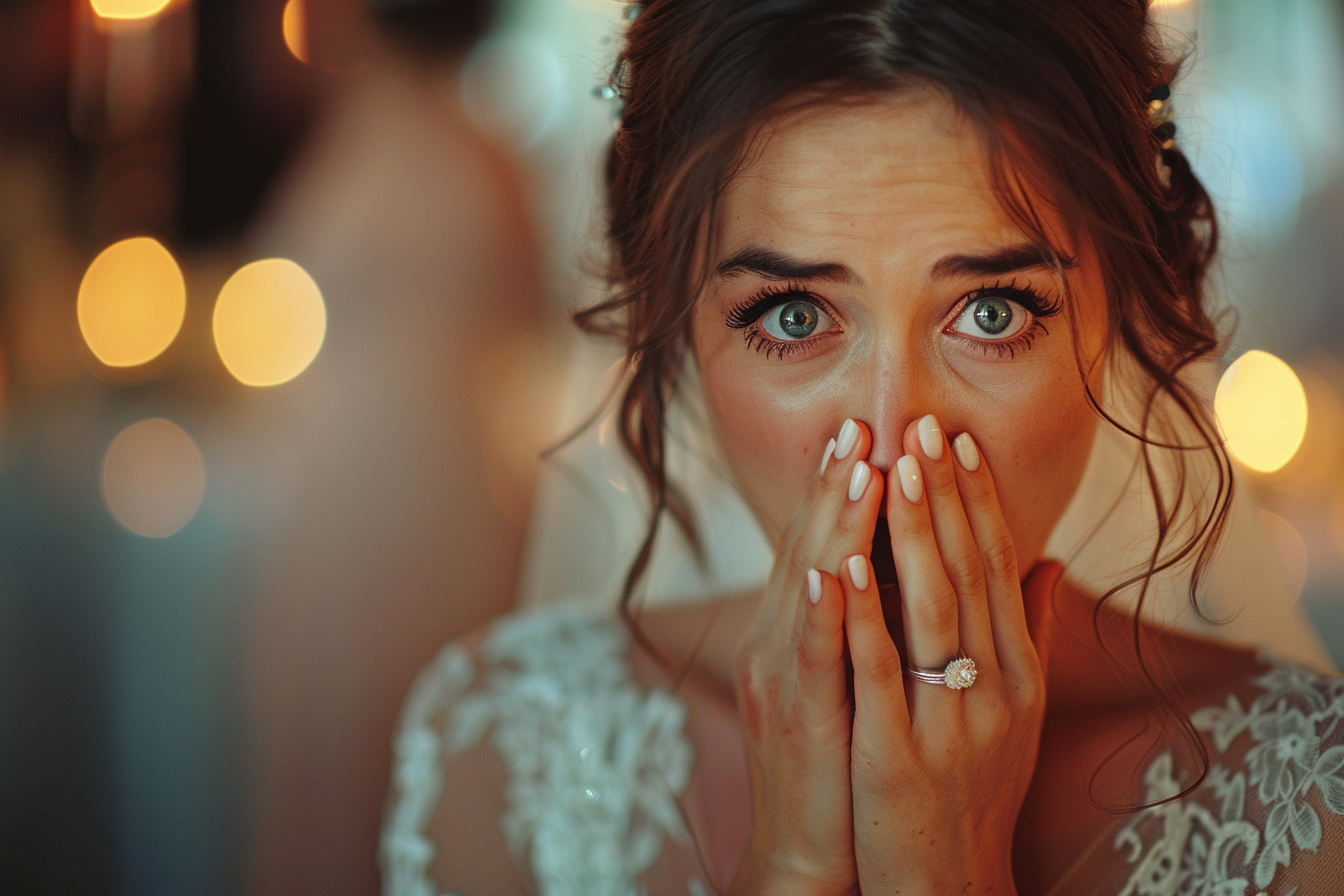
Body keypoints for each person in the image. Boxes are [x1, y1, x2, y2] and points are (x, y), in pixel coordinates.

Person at [380, 1, 1344, 893]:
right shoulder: (503, 751)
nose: (888, 448)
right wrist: (792, 868)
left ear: (1120, 310)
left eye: (992, 311)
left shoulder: (1313, 811)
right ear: (678, 327)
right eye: (795, 317)